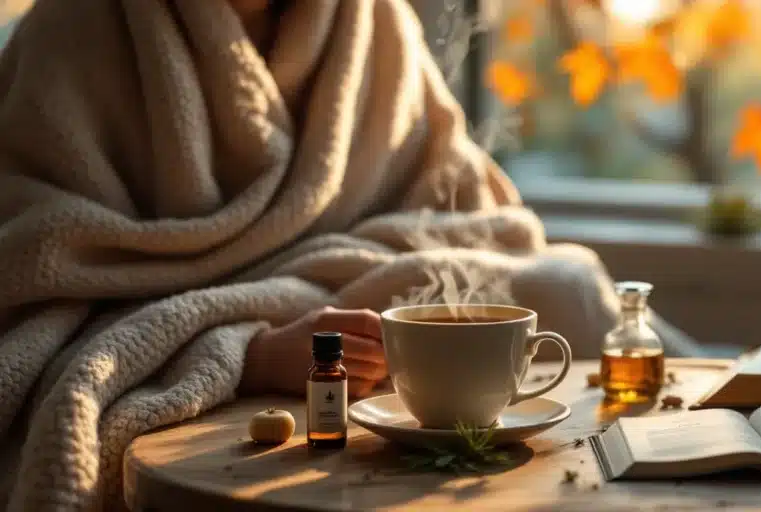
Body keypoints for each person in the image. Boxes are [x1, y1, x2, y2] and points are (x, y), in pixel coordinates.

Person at [0, 0, 700, 509]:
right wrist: (250, 346)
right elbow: (38, 267)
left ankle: (737, 392)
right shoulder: (72, 31)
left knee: (563, 282)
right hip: (209, 313)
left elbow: (456, 193)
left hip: (365, 285)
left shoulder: (373, 21)